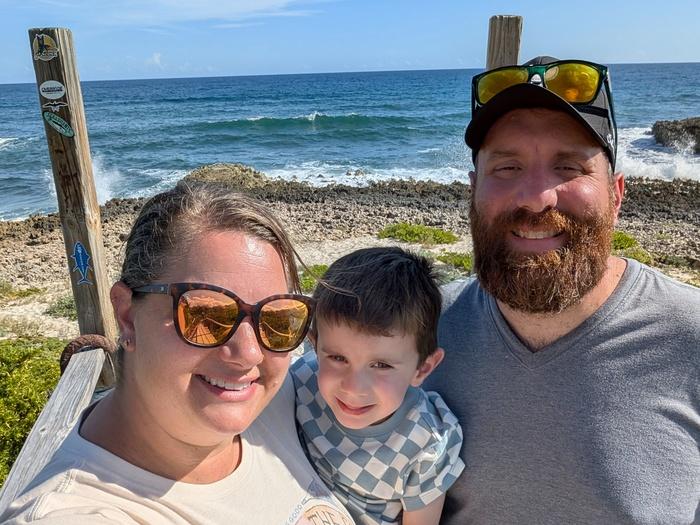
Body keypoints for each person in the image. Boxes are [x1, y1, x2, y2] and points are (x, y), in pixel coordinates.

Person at [424, 56, 700, 524]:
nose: (537, 198)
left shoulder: (690, 338)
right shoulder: (418, 334)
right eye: (507, 167)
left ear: (617, 194)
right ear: (473, 190)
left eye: (568, 167)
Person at [1, 182, 354, 524]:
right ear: (127, 316)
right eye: (205, 315)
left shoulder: (283, 401)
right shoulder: (76, 510)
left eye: (278, 319)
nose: (249, 354)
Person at [291, 247, 465, 525]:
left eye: (381, 365)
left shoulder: (426, 444)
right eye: (338, 358)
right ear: (315, 345)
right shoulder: (299, 383)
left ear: (422, 369)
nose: (353, 387)